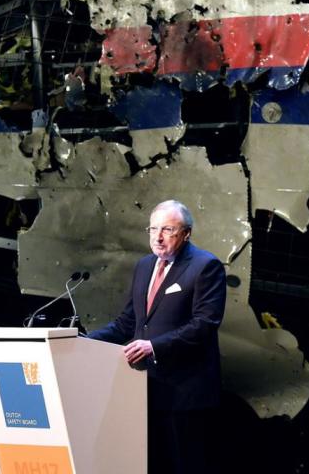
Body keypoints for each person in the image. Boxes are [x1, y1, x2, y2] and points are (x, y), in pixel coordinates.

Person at [83, 199, 226, 474]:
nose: (158, 237)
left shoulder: (205, 266)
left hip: (184, 393)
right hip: (144, 390)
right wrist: (84, 340)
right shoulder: (145, 266)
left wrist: (154, 347)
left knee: (183, 465)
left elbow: (204, 324)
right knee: (148, 464)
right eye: (153, 229)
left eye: (168, 230)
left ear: (186, 233)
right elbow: (129, 322)